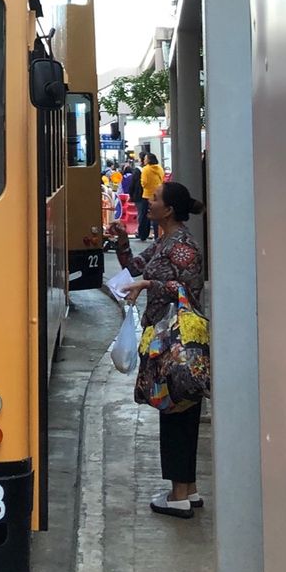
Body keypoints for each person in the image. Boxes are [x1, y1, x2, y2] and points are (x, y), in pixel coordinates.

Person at [105, 181, 206, 518]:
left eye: (156, 198)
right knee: (180, 408)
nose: (149, 201)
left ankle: (177, 495)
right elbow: (133, 268)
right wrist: (121, 241)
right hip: (166, 339)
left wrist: (150, 285)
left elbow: (187, 290)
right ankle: (187, 489)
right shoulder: (165, 242)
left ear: (170, 209)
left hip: (175, 342)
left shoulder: (182, 248)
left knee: (176, 410)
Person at [138, 151, 164, 240]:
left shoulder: (146, 169)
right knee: (156, 215)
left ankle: (143, 235)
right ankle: (158, 235)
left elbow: (144, 182)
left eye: (145, 159)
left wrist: (144, 186)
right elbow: (162, 178)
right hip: (157, 195)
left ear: (148, 160)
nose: (144, 160)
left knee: (144, 216)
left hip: (147, 195)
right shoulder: (160, 168)